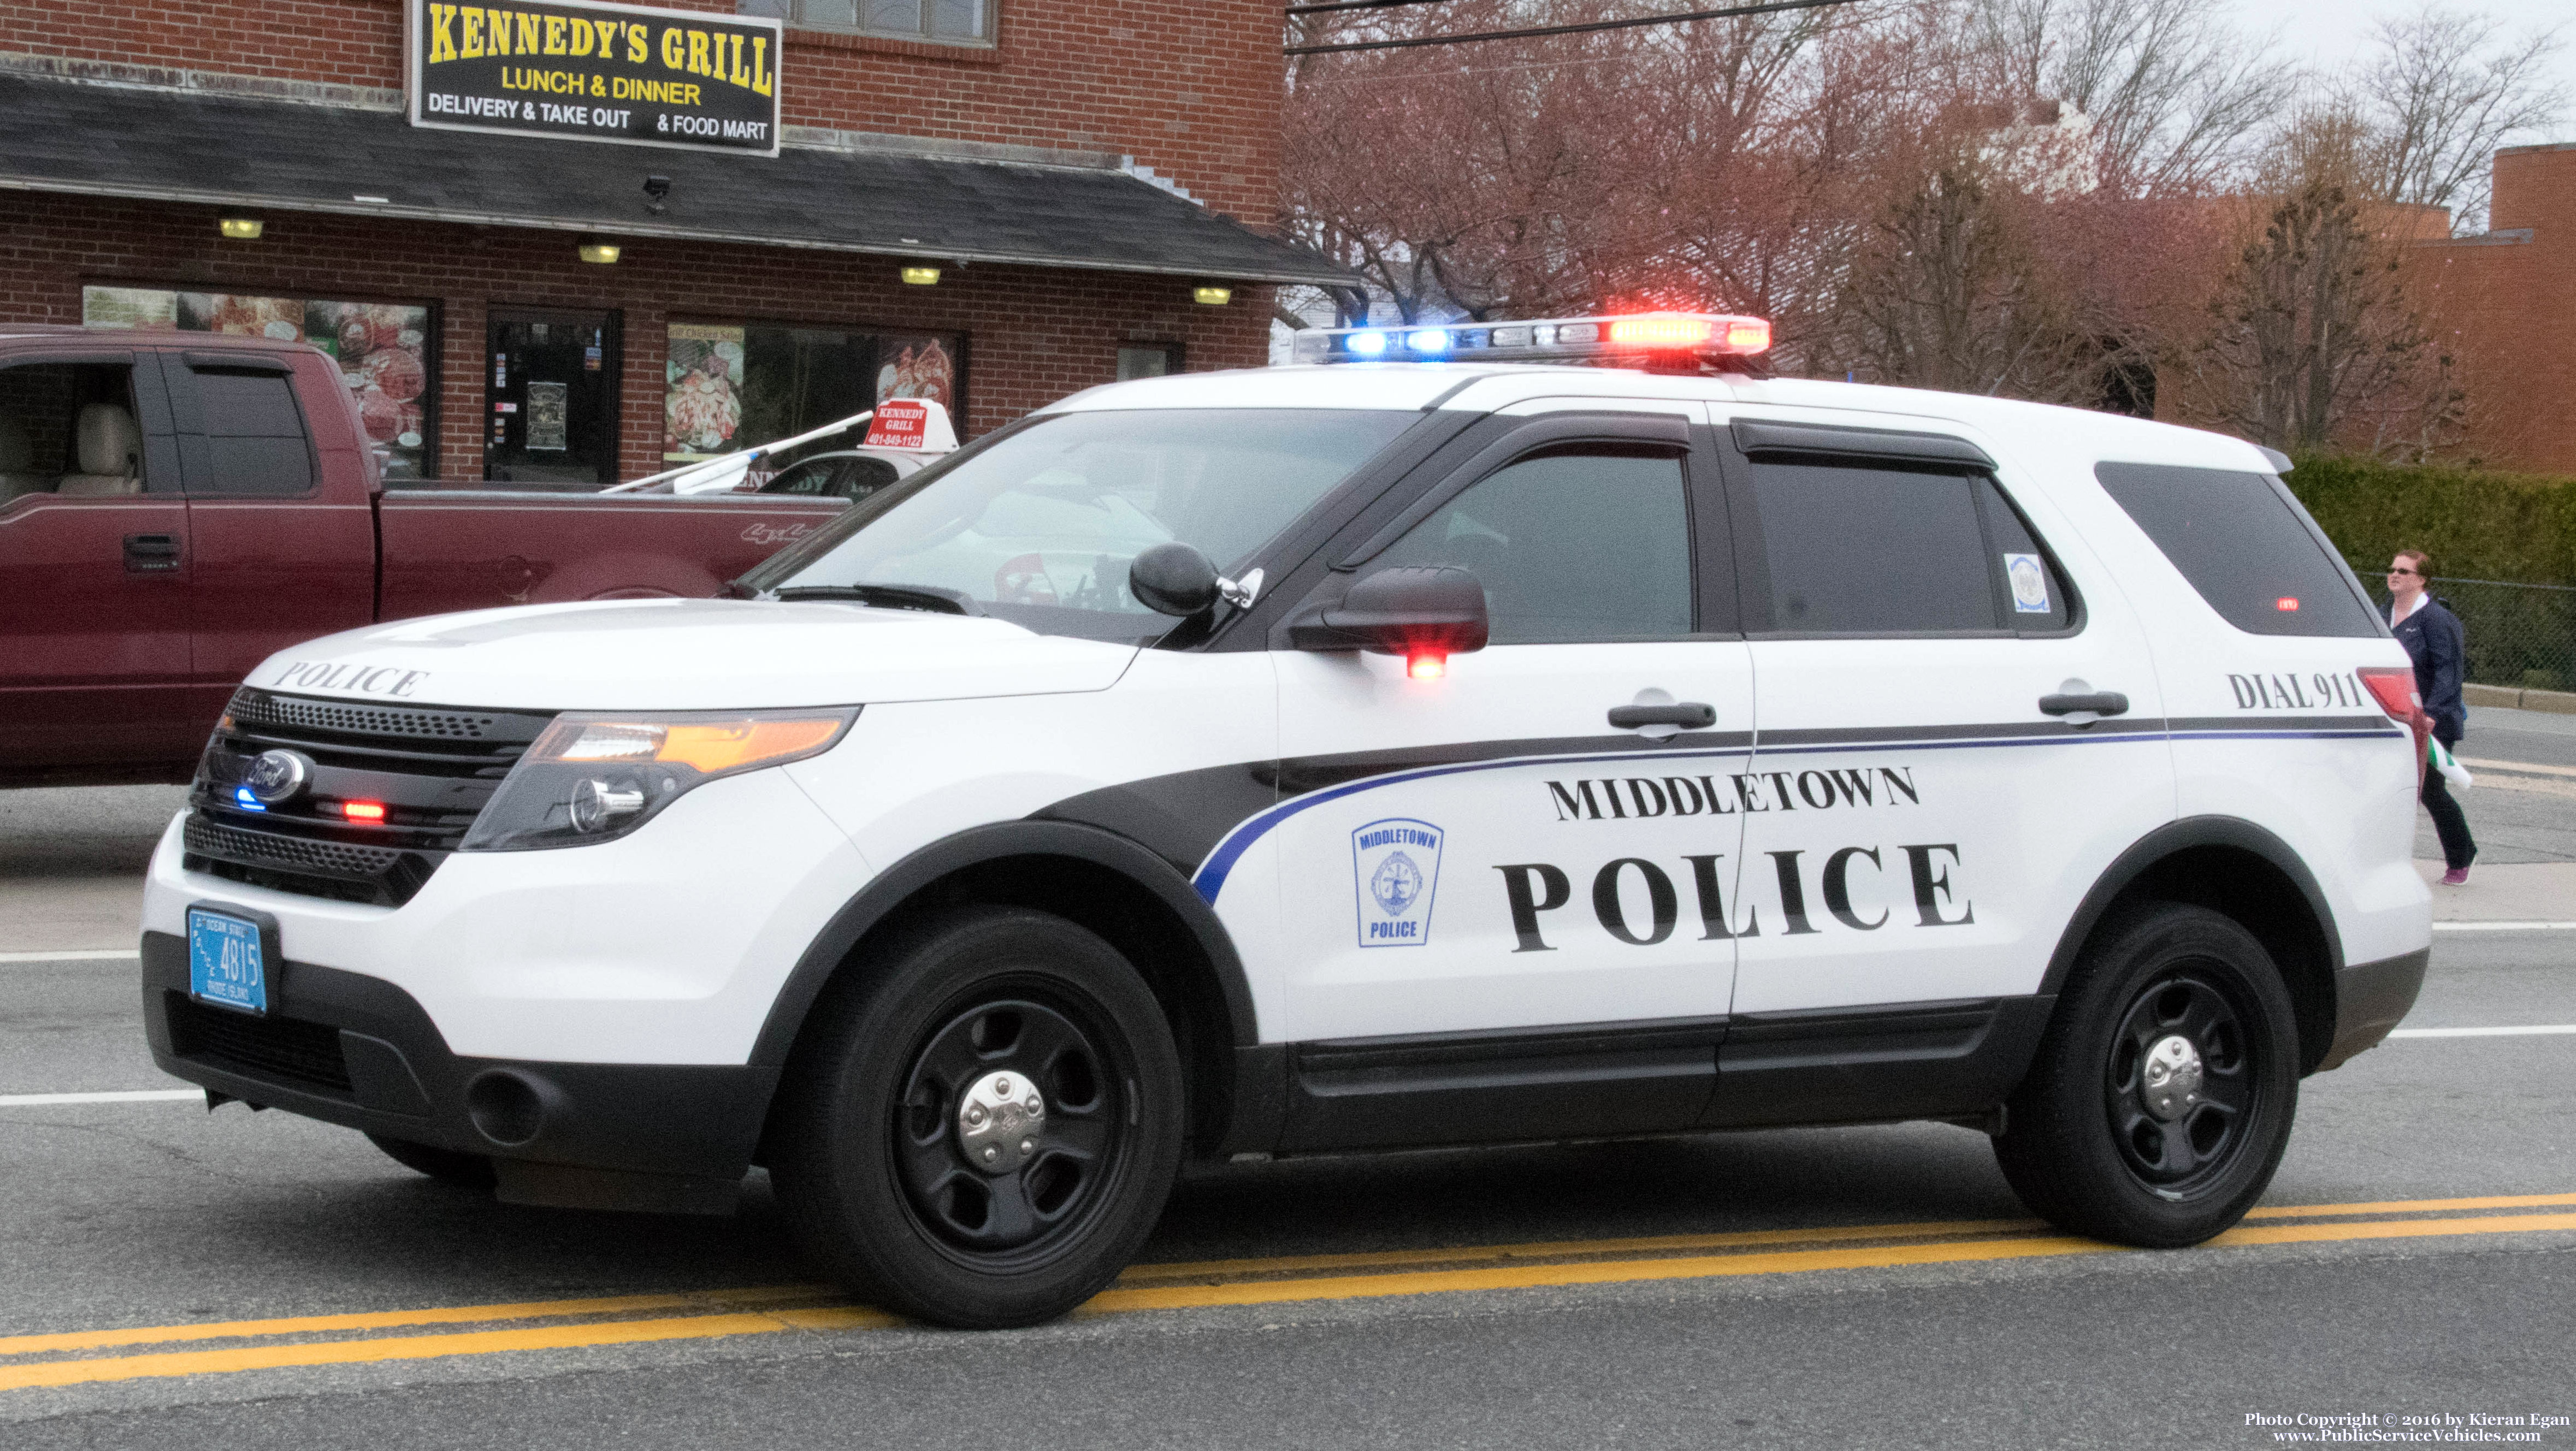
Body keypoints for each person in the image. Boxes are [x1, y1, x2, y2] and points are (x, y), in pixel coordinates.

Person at [2388, 548, 2475, 884]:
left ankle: (2461, 856)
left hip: (2433, 720)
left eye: (2404, 571)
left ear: (2421, 580)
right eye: (2392, 569)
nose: (2395, 575)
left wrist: (2433, 714)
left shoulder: (2437, 619)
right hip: (2397, 717)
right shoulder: (2383, 615)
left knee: (2431, 792)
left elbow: (2448, 671)